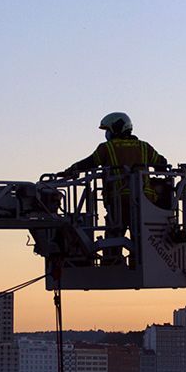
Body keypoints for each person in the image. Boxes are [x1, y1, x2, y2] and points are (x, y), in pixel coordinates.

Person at [60, 113, 168, 263]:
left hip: (119, 199)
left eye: (108, 130)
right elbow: (162, 163)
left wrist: (69, 171)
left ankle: (112, 259)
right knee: (142, 234)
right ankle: (142, 260)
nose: (107, 134)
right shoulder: (144, 147)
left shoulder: (108, 148)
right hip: (145, 200)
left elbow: (89, 163)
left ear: (116, 129)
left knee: (115, 232)